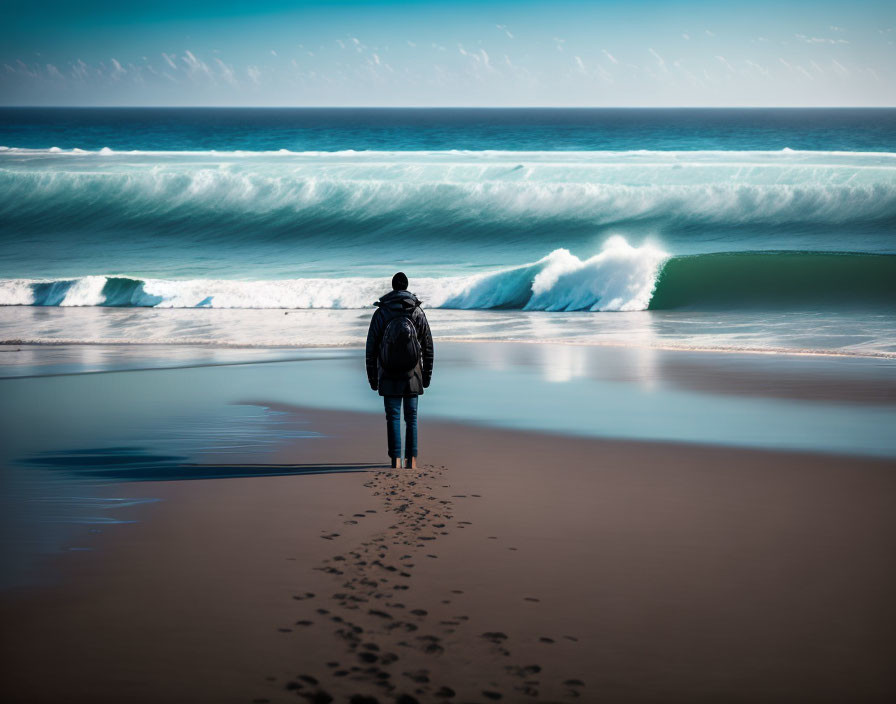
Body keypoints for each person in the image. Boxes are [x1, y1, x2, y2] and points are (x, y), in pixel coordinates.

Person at [366, 272, 434, 469]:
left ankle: (396, 459)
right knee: (411, 417)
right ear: (407, 287)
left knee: (393, 416)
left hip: (387, 373)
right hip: (413, 374)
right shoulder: (417, 311)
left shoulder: (382, 312)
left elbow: (371, 348)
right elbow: (428, 346)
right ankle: (411, 460)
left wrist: (373, 378)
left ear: (393, 287)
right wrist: (427, 376)